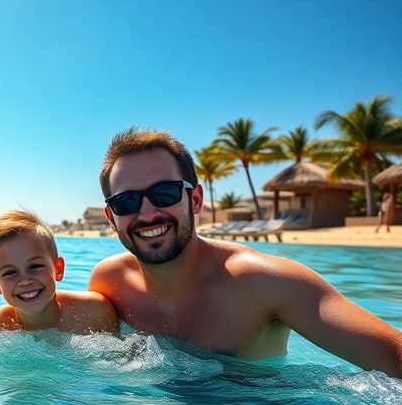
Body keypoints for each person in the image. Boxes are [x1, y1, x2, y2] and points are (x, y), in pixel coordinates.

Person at [87, 128, 402, 376]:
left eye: (164, 193)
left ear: (195, 200)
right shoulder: (111, 281)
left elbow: (392, 356)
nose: (147, 214)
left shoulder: (264, 282)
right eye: (126, 202)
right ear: (111, 218)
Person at [0, 209, 117, 334]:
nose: (25, 281)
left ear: (58, 269)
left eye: (35, 266)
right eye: (9, 273)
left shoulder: (93, 312)